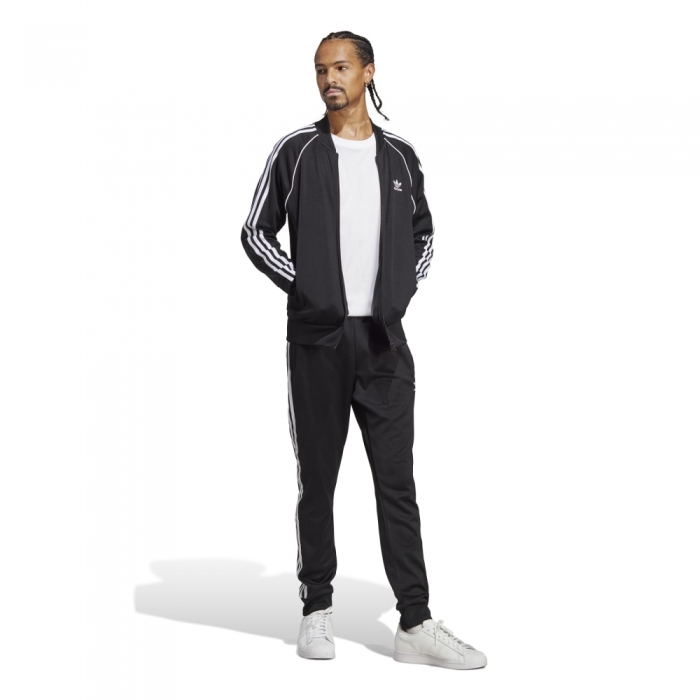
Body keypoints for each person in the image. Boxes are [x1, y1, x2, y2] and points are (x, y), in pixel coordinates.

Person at [241, 30, 487, 671]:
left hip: (383, 343)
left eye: (341, 67)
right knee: (317, 481)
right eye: (321, 69)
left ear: (368, 72)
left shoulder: (400, 156)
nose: (330, 79)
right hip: (318, 343)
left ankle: (415, 622)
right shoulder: (295, 151)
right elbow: (254, 231)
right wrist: (310, 290)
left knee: (397, 484)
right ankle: (316, 608)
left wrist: (398, 292)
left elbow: (424, 234)